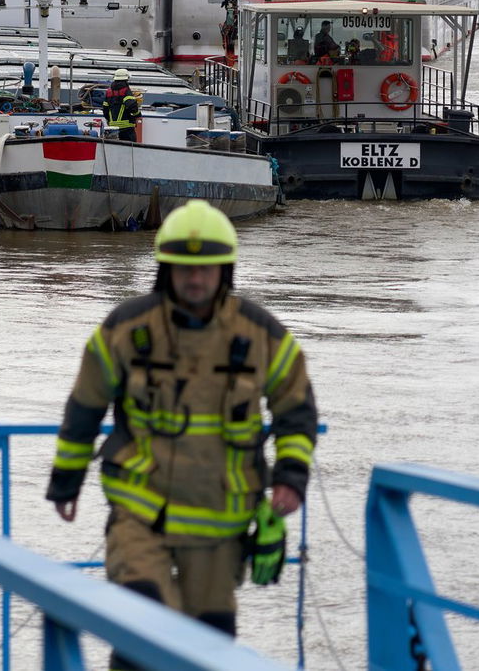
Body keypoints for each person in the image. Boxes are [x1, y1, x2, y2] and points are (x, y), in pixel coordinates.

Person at [46, 200, 317, 654]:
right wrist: (65, 482)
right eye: (185, 268)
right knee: (142, 628)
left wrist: (291, 478)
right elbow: (84, 408)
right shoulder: (126, 328)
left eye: (206, 269)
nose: (195, 279)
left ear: (224, 271)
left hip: (222, 523)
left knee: (210, 644)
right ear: (165, 269)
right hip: (140, 514)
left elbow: (297, 408)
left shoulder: (260, 334)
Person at [102, 68, 141, 142]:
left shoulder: (109, 92)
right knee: (130, 150)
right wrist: (138, 115)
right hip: (127, 129)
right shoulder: (126, 91)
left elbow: (105, 110)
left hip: (113, 128)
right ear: (126, 79)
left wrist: (110, 120)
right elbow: (132, 107)